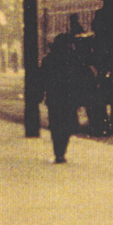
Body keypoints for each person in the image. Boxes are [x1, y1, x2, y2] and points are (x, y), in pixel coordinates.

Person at [41, 15, 86, 163]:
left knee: (56, 126)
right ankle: (61, 152)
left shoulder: (49, 60)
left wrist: (41, 94)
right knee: (67, 126)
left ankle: (58, 152)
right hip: (68, 99)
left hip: (55, 99)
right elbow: (79, 79)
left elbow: (42, 79)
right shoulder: (73, 60)